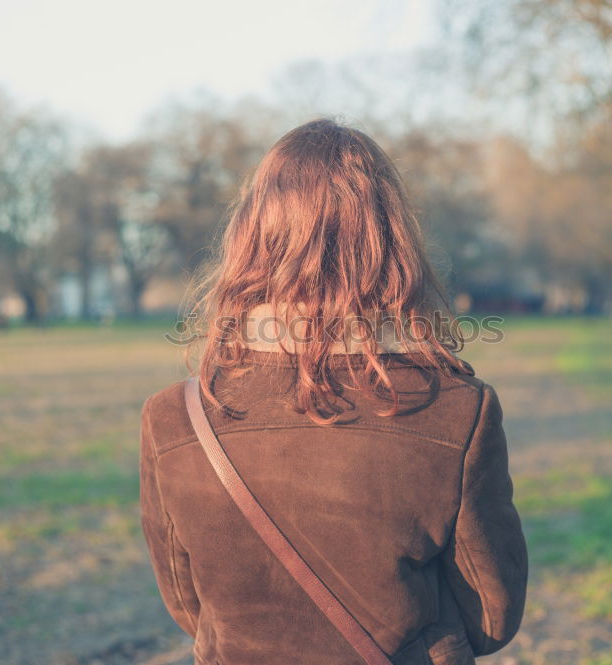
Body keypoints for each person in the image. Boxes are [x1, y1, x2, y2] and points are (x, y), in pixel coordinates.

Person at [139, 118, 528, 665]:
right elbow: (492, 615)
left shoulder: (172, 418)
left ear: (251, 236)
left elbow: (188, 605)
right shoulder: (458, 410)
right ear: (393, 238)